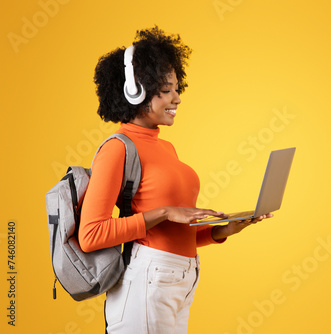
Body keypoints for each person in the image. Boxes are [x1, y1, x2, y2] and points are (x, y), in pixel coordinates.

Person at [79, 26, 273, 334]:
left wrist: (225, 229)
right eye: (167, 90)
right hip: (147, 280)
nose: (177, 98)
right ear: (136, 92)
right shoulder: (117, 148)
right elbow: (91, 234)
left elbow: (174, 234)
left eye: (176, 88)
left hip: (179, 280)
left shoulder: (165, 147)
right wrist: (166, 212)